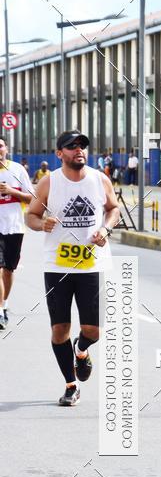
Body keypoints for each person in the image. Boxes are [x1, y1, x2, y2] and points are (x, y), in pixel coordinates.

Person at [25, 130, 120, 406]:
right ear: (59, 153)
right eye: (72, 146)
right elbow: (30, 215)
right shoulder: (48, 182)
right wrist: (41, 224)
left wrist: (105, 228)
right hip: (57, 266)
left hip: (91, 265)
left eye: (82, 146)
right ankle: (71, 385)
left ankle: (81, 350)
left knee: (92, 331)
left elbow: (113, 209)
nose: (79, 150)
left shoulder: (99, 179)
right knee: (59, 329)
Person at [0, 138, 34, 329]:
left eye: (0, 146)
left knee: (8, 270)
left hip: (14, 227)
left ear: (6, 149)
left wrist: (12, 191)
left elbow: (31, 199)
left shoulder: (17, 170)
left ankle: (4, 304)